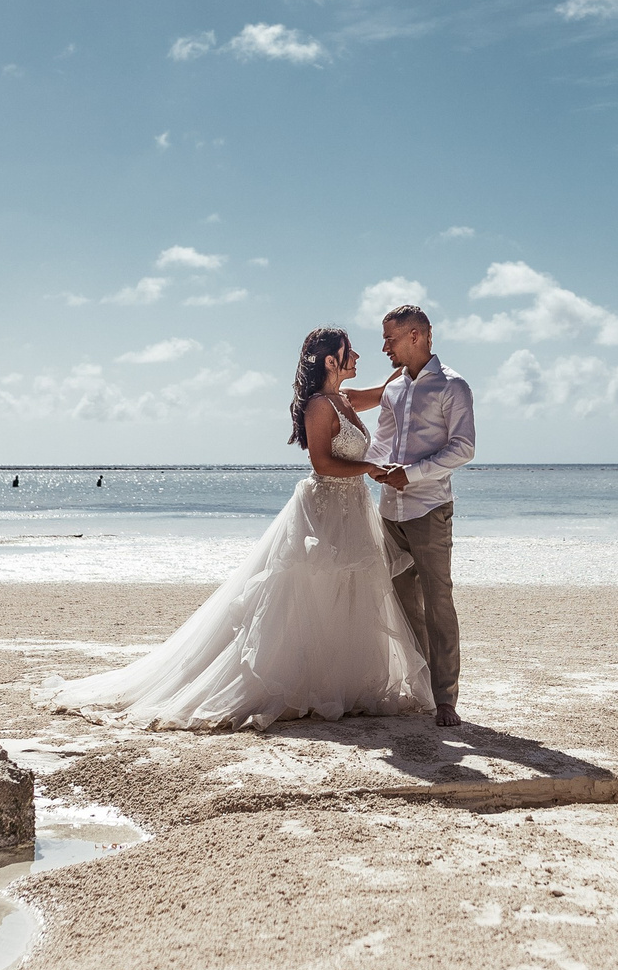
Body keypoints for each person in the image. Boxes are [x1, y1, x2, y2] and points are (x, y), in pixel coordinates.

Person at [45, 327, 429, 730]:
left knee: (346, 592)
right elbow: (322, 463)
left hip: (352, 509)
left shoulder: (345, 399)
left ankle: (339, 684)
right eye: (349, 352)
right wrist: (369, 467)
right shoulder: (319, 406)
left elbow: (385, 391)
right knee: (310, 592)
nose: (358, 357)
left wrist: (408, 359)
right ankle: (297, 684)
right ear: (331, 361)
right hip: (324, 510)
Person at [359, 303, 476, 728]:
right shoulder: (393, 390)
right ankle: (422, 687)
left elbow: (464, 448)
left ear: (416, 335)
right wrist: (365, 467)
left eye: (389, 339)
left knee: (438, 603)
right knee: (404, 603)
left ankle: (445, 699)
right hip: (389, 510)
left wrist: (410, 474)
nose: (384, 348)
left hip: (429, 509)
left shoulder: (453, 386)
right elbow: (382, 441)